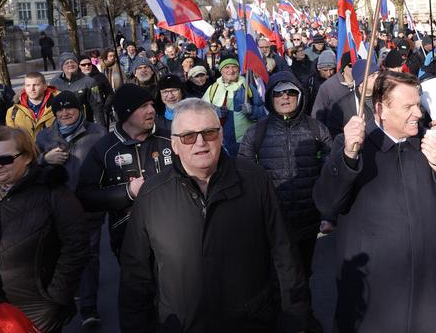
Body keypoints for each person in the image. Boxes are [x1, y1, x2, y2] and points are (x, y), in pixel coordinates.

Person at [118, 99, 311, 332]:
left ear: (220, 135)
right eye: (189, 136)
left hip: (251, 323)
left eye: (209, 133)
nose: (200, 142)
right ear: (175, 145)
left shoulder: (255, 181)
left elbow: (285, 255)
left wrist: (295, 319)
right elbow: (135, 278)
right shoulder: (152, 195)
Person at [314, 71, 436, 332]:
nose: (418, 113)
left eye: (417, 104)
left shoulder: (426, 145)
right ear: (381, 109)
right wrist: (348, 155)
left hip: (426, 292)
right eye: (408, 107)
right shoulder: (353, 145)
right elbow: (327, 203)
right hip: (374, 294)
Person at [0, 127, 88, 331]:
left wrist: (55, 297)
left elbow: (76, 245)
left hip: (37, 310)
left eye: (4, 159)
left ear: (28, 157)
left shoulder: (52, 192)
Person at [239, 71, 331, 282]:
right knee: (278, 275)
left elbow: (330, 174)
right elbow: (244, 176)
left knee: (304, 273)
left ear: (299, 96)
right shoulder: (256, 133)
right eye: (278, 94)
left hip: (308, 220)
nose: (285, 98)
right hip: (273, 221)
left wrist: (328, 213)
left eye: (290, 92)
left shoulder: (317, 129)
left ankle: (304, 313)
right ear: (270, 98)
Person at [35, 91, 108, 326]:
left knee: (88, 255)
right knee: (59, 256)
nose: (65, 113)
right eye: (60, 110)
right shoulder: (44, 136)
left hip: (88, 206)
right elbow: (30, 170)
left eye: (70, 108)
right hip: (55, 209)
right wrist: (44, 160)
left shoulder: (97, 133)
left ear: (80, 110)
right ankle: (64, 301)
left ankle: (89, 308)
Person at [77, 84, 174, 257]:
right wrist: (127, 192)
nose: (151, 110)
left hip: (173, 234)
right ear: (126, 112)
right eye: (143, 106)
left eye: (152, 105)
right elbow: (85, 196)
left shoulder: (170, 139)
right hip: (129, 241)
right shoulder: (104, 149)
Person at [202, 57, 265, 156]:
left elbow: (263, 112)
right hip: (220, 143)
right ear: (221, 70)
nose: (231, 71)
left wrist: (252, 111)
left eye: (234, 67)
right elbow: (201, 112)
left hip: (246, 143)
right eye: (227, 67)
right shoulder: (213, 88)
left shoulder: (248, 87)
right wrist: (214, 112)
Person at [327, 58, 379, 137]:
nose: (378, 78)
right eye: (373, 75)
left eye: (378, 73)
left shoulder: (385, 97)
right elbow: (335, 136)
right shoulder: (342, 107)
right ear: (361, 82)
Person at [49, 53, 106, 126]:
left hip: (84, 125)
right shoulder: (54, 83)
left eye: (73, 62)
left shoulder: (90, 82)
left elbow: (98, 106)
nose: (70, 64)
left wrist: (101, 127)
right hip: (62, 126)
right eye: (67, 63)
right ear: (62, 67)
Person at [5, 71, 58, 138]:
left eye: (36, 85)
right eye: (28, 85)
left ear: (45, 87)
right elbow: (12, 139)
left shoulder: (58, 106)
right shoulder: (12, 112)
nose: (32, 89)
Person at [311, 54, 354, 127]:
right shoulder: (326, 87)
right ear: (344, 67)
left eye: (331, 69)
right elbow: (318, 114)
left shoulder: (362, 84)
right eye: (350, 65)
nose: (329, 73)